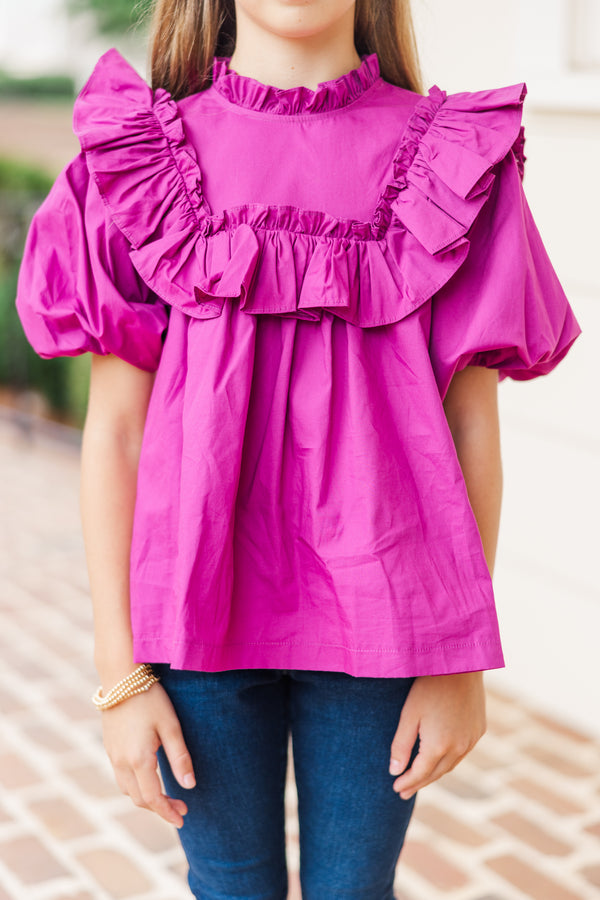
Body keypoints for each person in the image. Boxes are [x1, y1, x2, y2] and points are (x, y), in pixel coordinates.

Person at [16, 1, 581, 897]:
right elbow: (115, 433)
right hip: (195, 628)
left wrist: (458, 658)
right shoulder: (141, 158)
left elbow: (473, 423)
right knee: (229, 885)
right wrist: (118, 675)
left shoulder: (450, 160)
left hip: (385, 622)